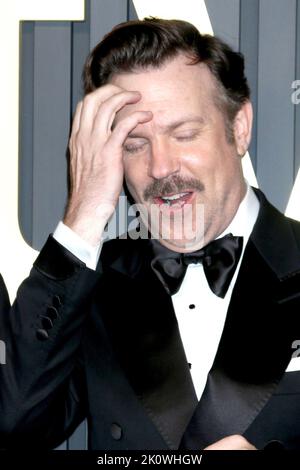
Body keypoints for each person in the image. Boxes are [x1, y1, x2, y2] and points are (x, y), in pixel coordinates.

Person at [1, 17, 300, 451]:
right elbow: (13, 424)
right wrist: (83, 213)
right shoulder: (93, 289)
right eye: (134, 144)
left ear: (239, 128)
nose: (160, 168)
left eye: (183, 133)